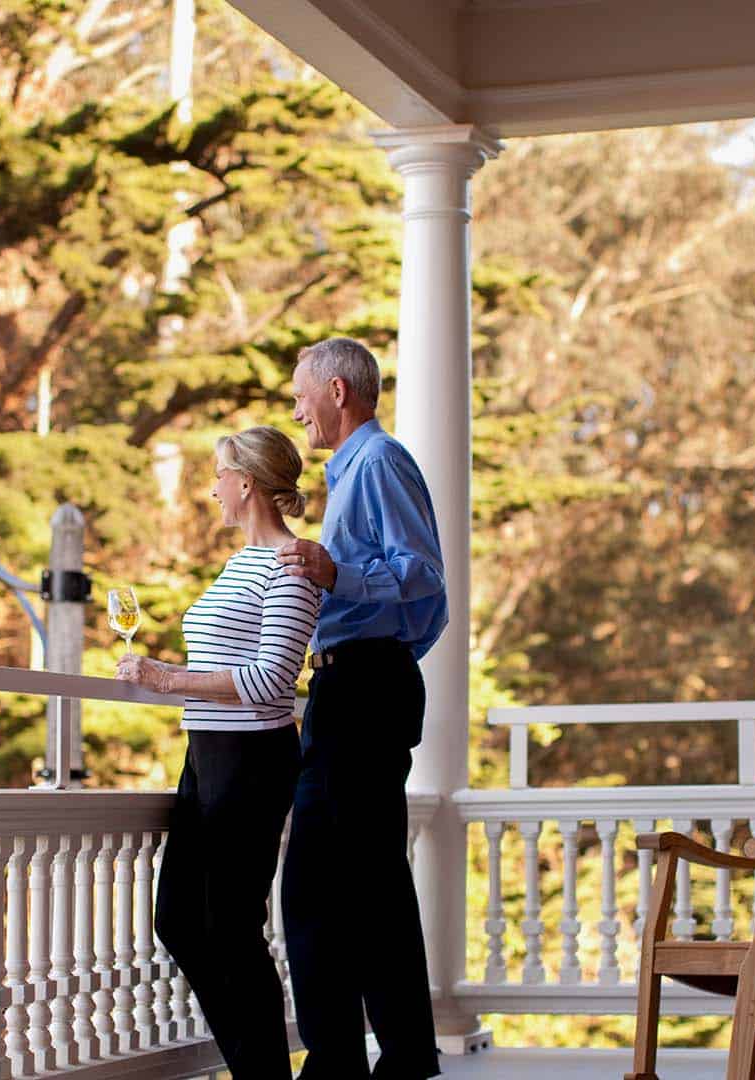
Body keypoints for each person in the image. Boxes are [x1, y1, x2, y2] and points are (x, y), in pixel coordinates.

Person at [116, 426, 321, 1080]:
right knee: (178, 919)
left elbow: (271, 680)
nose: (212, 488)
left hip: (252, 762)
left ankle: (262, 1076)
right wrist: (173, 682)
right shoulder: (239, 562)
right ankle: (257, 1069)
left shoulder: (291, 565)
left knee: (231, 931)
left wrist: (166, 678)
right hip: (205, 755)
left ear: (248, 484)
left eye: (219, 476)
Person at [276, 337, 446, 1080]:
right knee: (363, 880)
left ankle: (348, 1060)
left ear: (337, 392)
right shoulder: (352, 474)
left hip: (364, 690)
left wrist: (335, 572)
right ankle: (394, 1058)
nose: (296, 411)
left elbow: (421, 575)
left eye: (299, 395)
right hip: (352, 689)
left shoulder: (378, 461)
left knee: (318, 880)